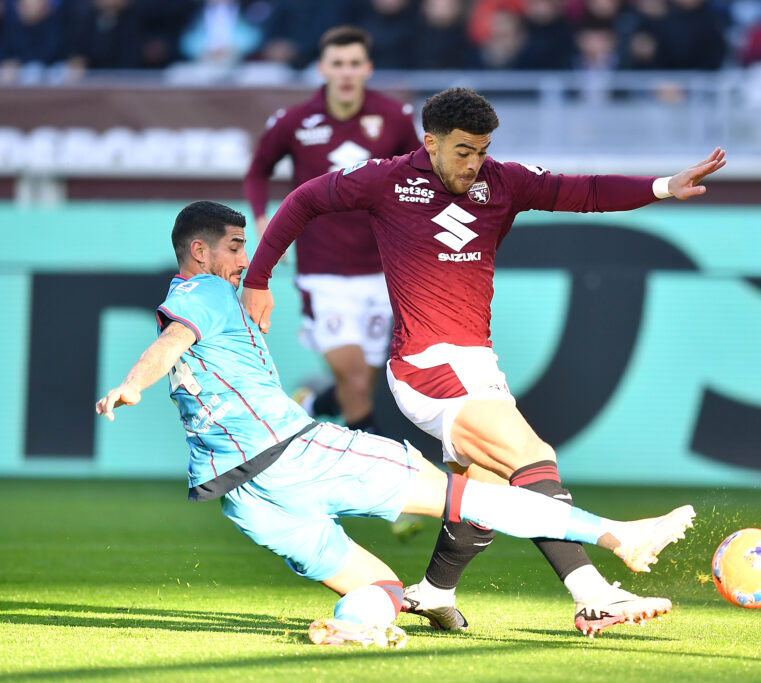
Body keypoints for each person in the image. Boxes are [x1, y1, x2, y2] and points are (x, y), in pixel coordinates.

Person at [95, 200, 697, 647]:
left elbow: (181, 344)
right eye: (233, 246)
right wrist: (132, 383)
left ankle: (352, 629)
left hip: (245, 496)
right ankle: (618, 536)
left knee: (382, 590)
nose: (244, 259)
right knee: (471, 499)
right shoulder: (204, 293)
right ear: (199, 252)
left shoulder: (211, 300)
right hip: (298, 453)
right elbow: (173, 342)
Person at [240, 87, 726, 636]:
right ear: (431, 142)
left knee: (485, 492)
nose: (475, 164)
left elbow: (584, 191)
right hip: (425, 363)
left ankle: (433, 592)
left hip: (475, 361)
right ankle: (595, 591)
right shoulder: (387, 179)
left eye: (483, 150)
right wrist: (258, 278)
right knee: (531, 455)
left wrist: (664, 186)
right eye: (464, 151)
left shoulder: (504, 180)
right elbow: (304, 198)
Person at [244, 25, 420, 435]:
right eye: (337, 64)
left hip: (381, 271)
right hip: (322, 271)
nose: (345, 72)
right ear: (322, 68)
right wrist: (261, 215)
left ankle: (311, 402)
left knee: (362, 385)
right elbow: (257, 171)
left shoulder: (394, 118)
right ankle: (379, 470)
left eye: (354, 64)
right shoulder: (295, 121)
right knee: (356, 381)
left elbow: (419, 175)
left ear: (368, 68)